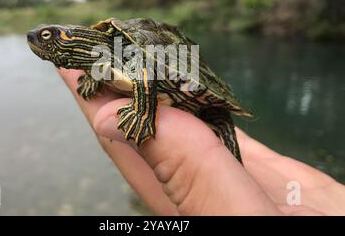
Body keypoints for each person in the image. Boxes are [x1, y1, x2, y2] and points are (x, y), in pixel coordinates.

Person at [59, 68, 345, 216]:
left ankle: (234, 159)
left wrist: (143, 113)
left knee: (219, 119)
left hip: (187, 90)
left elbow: (147, 72)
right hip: (156, 87)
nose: (38, 40)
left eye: (49, 37)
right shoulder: (101, 61)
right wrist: (95, 78)